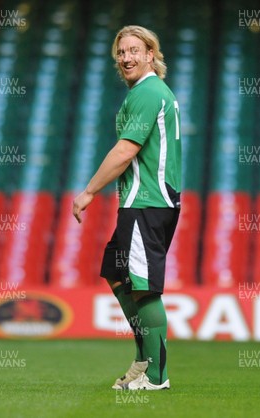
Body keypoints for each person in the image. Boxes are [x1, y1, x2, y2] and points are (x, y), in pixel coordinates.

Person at [72, 25, 181, 390]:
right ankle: (143, 358)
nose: (126, 57)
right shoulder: (142, 92)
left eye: (135, 50)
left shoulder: (149, 92)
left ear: (151, 54)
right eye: (121, 52)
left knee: (144, 288)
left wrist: (88, 192)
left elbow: (126, 150)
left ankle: (157, 376)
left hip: (148, 202)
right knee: (117, 273)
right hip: (141, 202)